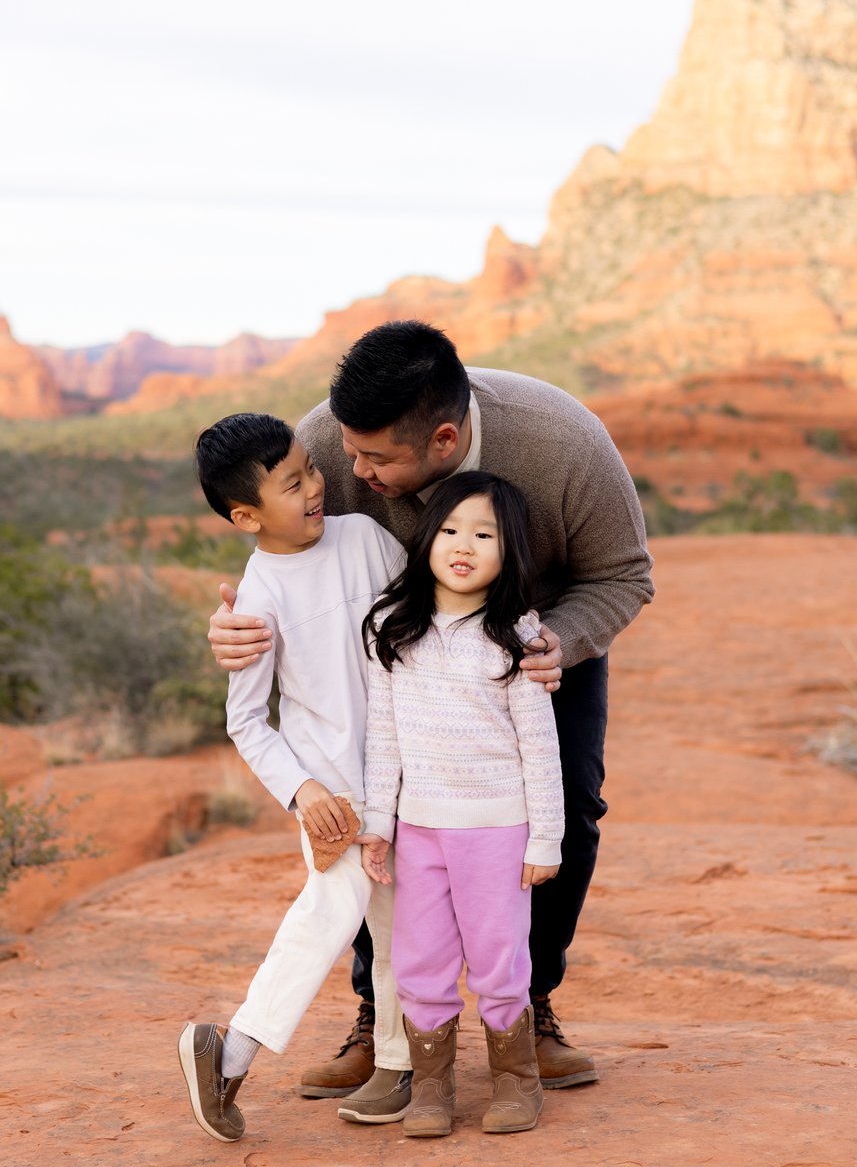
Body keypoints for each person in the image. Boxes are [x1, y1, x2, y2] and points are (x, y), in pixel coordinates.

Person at [208, 320, 655, 1095]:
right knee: (380, 818)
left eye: (375, 461)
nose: (350, 471)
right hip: (402, 653)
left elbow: (623, 574)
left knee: (570, 803)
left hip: (534, 641)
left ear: (444, 440)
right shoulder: (331, 445)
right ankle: (381, 1018)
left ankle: (527, 1008)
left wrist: (556, 642)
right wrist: (238, 627)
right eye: (345, 453)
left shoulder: (564, 445)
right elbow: (285, 553)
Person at [175, 413, 412, 1143]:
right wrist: (303, 793)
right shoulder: (257, 600)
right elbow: (246, 720)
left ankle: (397, 1064)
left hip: (407, 771)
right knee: (333, 911)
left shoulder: (366, 539)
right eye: (291, 483)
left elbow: (425, 620)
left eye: (311, 470)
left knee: (401, 926)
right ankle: (235, 1053)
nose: (314, 487)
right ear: (246, 516)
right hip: (335, 794)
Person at [358, 470, 562, 1137]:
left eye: (484, 535)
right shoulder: (391, 628)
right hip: (419, 830)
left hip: (498, 831)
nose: (463, 545)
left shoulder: (517, 637)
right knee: (421, 958)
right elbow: (384, 737)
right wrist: (377, 824)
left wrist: (546, 839)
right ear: (426, 539)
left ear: (511, 551)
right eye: (448, 530)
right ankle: (431, 1087)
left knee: (499, 957)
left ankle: (516, 1081)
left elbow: (540, 747)